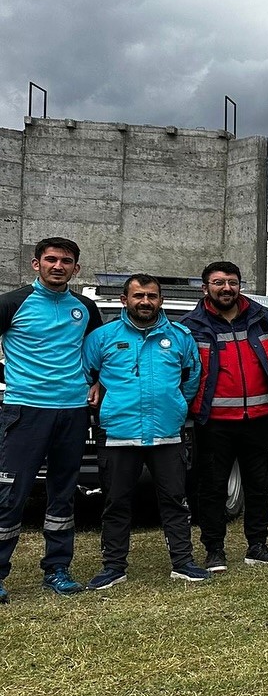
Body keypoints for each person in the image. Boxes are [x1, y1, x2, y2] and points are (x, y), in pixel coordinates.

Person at [80, 274, 208, 588]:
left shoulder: (180, 336)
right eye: (138, 295)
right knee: (116, 502)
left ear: (160, 300)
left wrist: (177, 404)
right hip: (118, 434)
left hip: (166, 434)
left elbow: (192, 376)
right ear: (125, 300)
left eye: (152, 296)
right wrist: (101, 394)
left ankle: (183, 562)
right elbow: (87, 373)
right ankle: (113, 567)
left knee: (175, 501)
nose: (145, 302)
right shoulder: (102, 337)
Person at [0, 237, 102, 600]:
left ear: (77, 268)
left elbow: (97, 355)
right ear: (36, 264)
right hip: (24, 411)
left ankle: (57, 569)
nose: (58, 266)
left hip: (73, 412)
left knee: (63, 492)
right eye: (51, 259)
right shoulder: (12, 303)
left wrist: (98, 383)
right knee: (10, 493)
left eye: (66, 261)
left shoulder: (86, 308)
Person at [183, 259, 268, 570]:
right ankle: (214, 549)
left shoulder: (262, 318)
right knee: (212, 488)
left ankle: (258, 545)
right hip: (214, 422)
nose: (226, 288)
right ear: (205, 288)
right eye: (218, 283)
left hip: (259, 417)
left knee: (259, 484)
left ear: (240, 285)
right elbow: (185, 370)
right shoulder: (191, 326)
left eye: (232, 282)